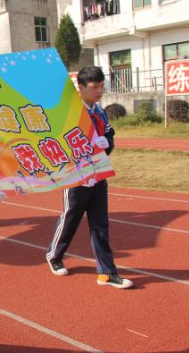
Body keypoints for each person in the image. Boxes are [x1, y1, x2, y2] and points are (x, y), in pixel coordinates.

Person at [45, 66, 133, 289]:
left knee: (100, 224)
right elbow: (59, 141)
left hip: (99, 174)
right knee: (70, 219)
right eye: (95, 87)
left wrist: (107, 143)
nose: (99, 91)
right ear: (81, 88)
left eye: (102, 86)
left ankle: (106, 272)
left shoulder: (100, 111)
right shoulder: (70, 112)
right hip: (77, 176)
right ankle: (54, 255)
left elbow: (109, 134)